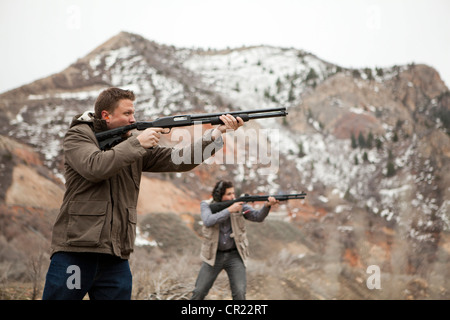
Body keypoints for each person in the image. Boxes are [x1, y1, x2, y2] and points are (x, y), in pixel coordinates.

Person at [42, 87, 244, 300]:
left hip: (115, 254)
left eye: (133, 113)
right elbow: (95, 167)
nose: (133, 119)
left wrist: (214, 135)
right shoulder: (79, 135)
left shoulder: (129, 143)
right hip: (77, 251)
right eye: (127, 114)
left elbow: (180, 160)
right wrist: (137, 143)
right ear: (106, 115)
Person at [191, 180, 279, 300]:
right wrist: (229, 210)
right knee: (199, 292)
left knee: (239, 293)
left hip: (235, 255)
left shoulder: (240, 205)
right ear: (219, 195)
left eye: (233, 193)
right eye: (229, 194)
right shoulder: (206, 205)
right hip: (213, 256)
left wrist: (267, 206)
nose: (233, 196)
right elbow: (208, 220)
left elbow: (257, 217)